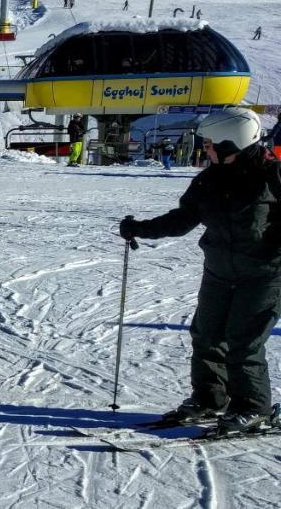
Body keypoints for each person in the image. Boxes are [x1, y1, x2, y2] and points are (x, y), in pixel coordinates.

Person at [119, 108, 281, 435]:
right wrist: (139, 229)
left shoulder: (272, 177)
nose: (204, 148)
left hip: (264, 275)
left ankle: (253, 407)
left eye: (209, 143)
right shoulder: (209, 179)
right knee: (206, 336)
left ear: (230, 141)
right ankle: (210, 399)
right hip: (220, 271)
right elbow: (182, 220)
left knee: (243, 342)